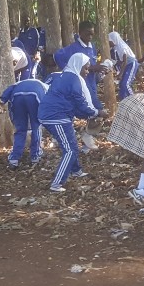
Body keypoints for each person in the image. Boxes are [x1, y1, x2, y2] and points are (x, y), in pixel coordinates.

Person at [37, 53, 105, 192]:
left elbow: (75, 105)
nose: (87, 72)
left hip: (55, 115)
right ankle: (57, 183)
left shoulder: (65, 76)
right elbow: (81, 102)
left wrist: (90, 114)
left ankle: (76, 171)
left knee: (71, 143)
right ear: (78, 66)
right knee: (70, 149)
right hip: (56, 116)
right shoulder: (74, 79)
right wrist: (97, 112)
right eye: (85, 68)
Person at [0, 75, 48, 168]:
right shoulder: (45, 87)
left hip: (16, 96)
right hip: (35, 96)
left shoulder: (19, 83)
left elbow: (7, 92)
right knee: (36, 126)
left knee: (20, 129)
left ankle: (14, 158)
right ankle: (35, 155)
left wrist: (2, 101)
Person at [54, 20, 102, 107]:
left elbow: (93, 62)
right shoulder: (74, 48)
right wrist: (68, 71)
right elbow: (57, 56)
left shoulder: (92, 47)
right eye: (87, 34)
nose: (90, 37)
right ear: (80, 33)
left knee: (92, 104)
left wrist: (99, 69)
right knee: (93, 105)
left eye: (92, 34)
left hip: (92, 81)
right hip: (81, 83)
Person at [108, 31, 139, 100]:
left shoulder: (122, 47)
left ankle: (135, 101)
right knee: (121, 84)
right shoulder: (116, 47)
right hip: (127, 65)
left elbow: (125, 61)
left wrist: (120, 74)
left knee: (126, 84)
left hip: (131, 64)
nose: (109, 43)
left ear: (114, 39)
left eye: (109, 41)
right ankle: (123, 100)